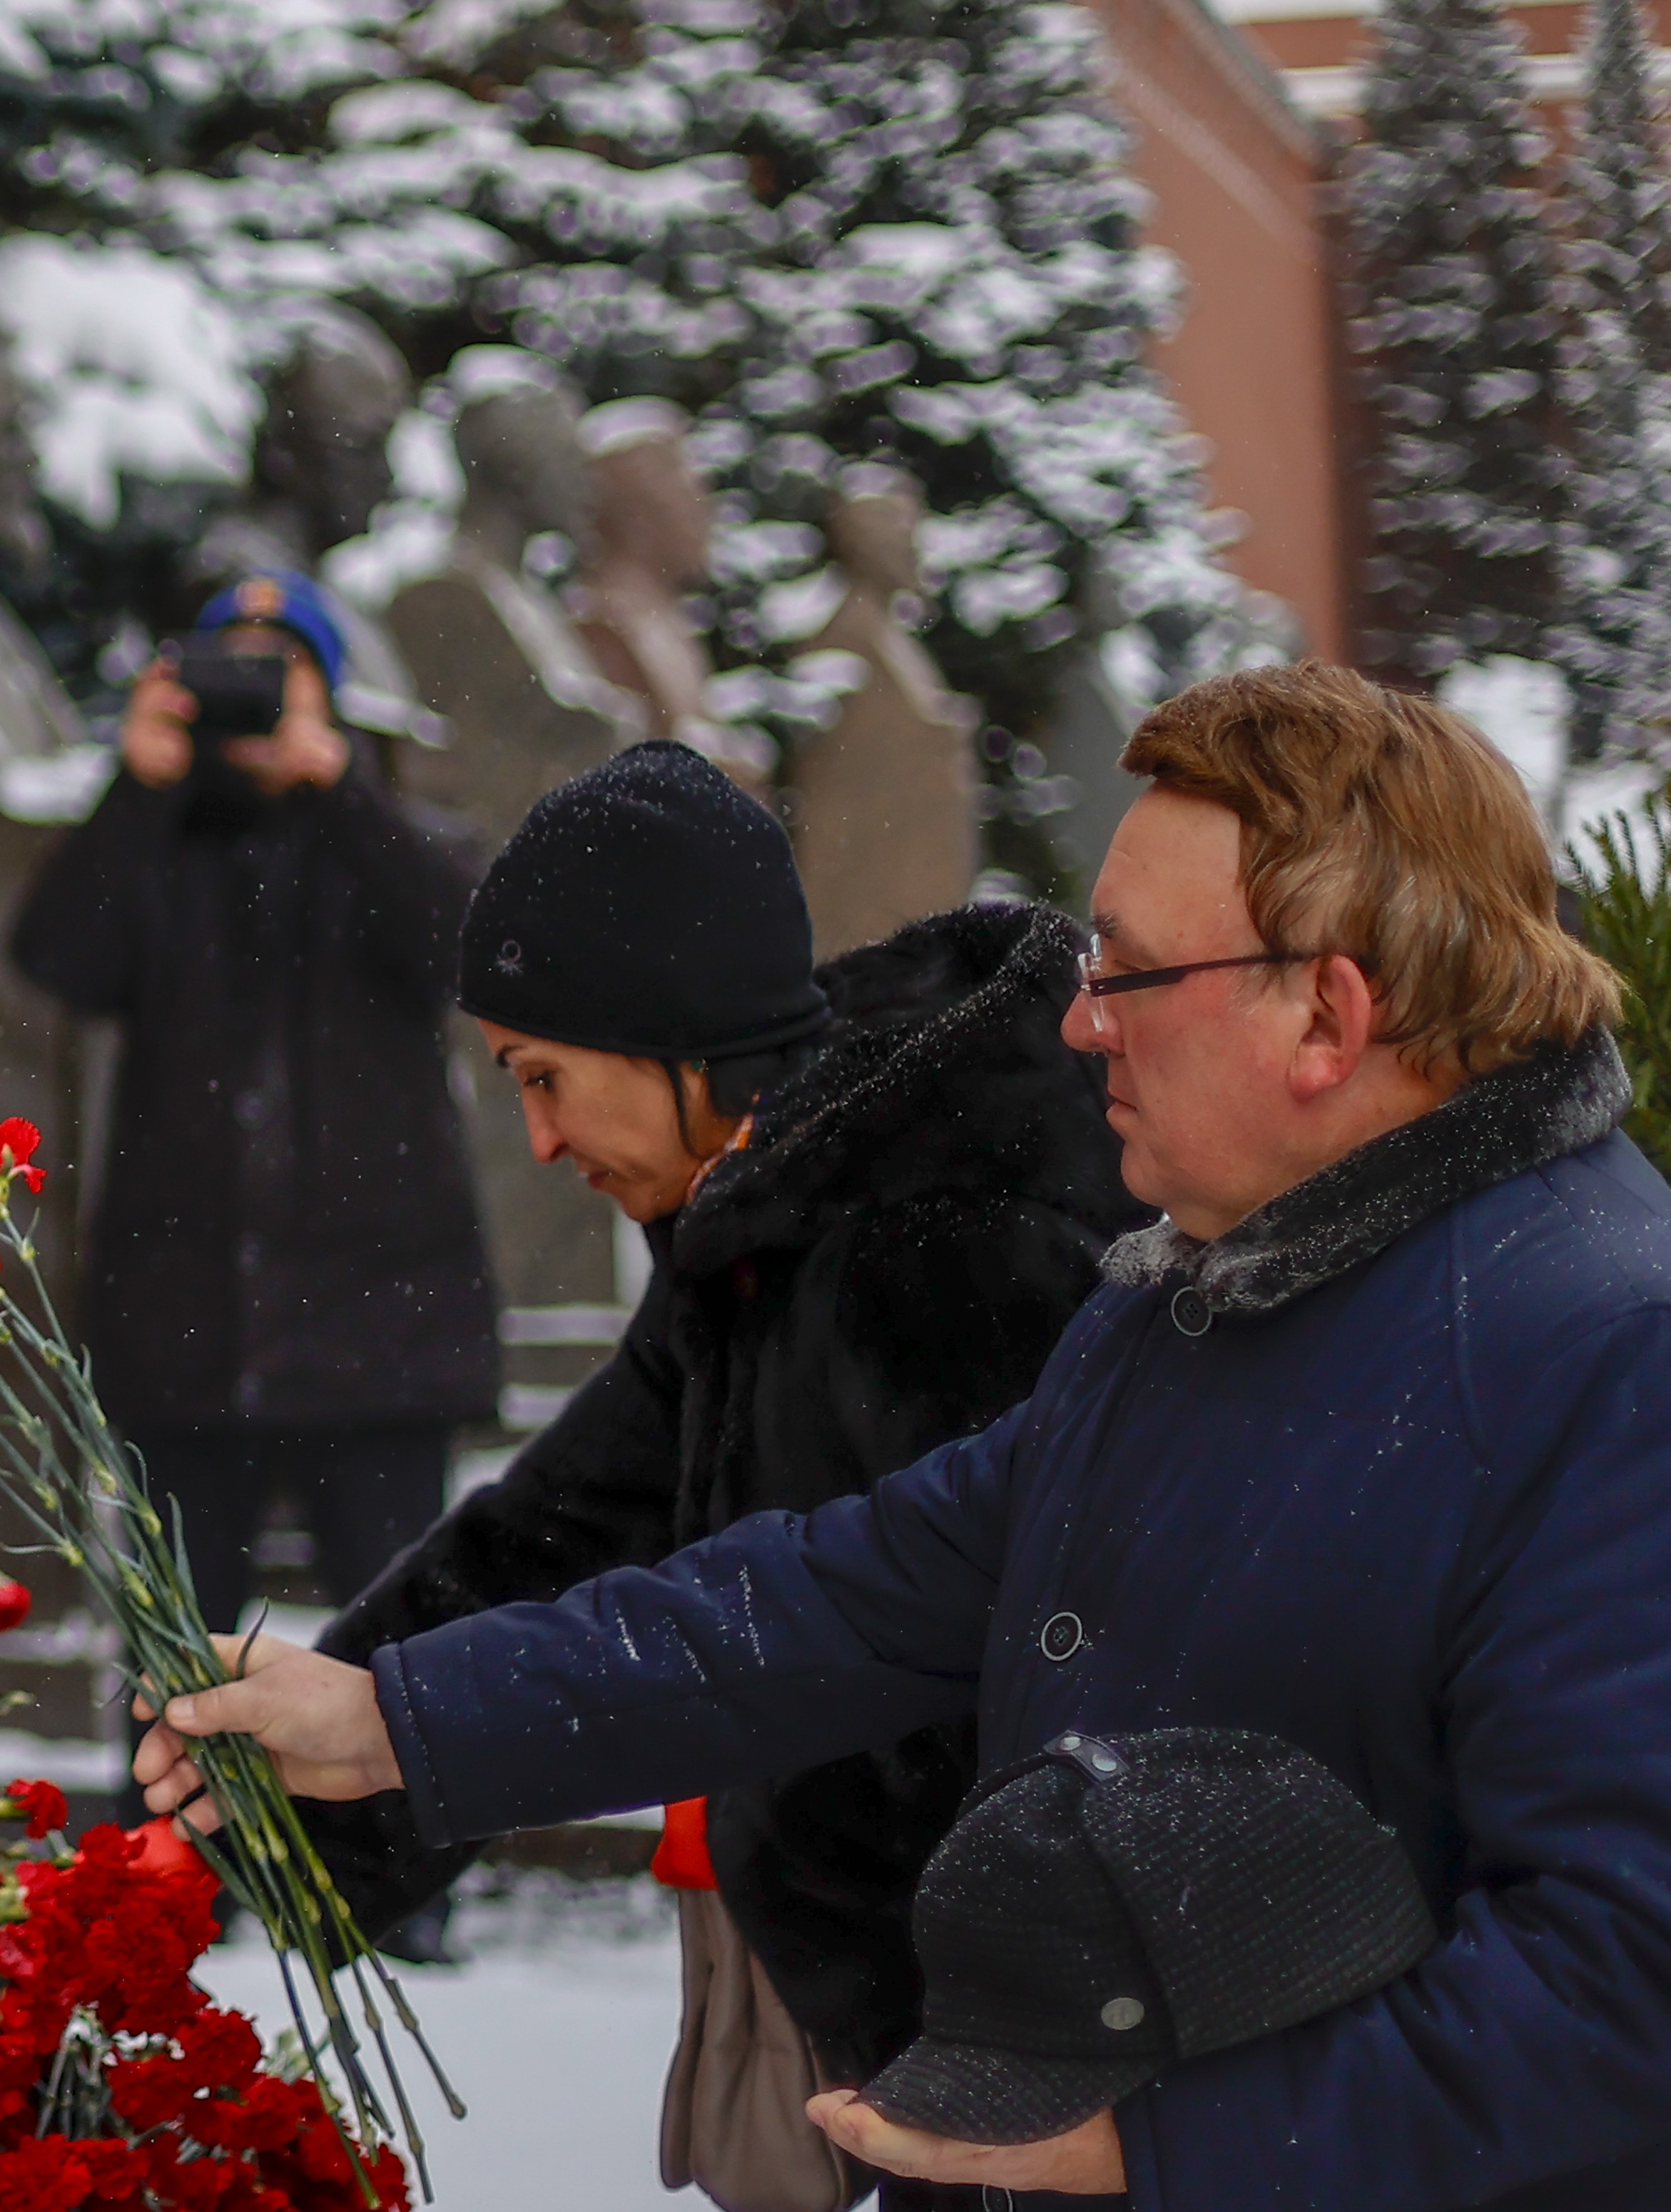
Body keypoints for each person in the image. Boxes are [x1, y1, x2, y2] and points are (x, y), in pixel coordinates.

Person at [138, 665, 1671, 2211]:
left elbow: (1635, 1978)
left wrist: (1155, 2150)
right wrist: (398, 1717)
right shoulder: (1196, 1291)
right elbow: (839, 1596)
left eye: (1130, 976)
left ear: (1326, 1017)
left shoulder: (1613, 1355)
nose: (1082, 1024)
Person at [299, 739, 1134, 2210]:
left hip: (1044, 2053)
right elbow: (561, 1529)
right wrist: (285, 1811)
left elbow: (987, 1661)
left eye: (545, 1078)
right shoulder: (767, 1222)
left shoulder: (930, 1248)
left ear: (670, 1037)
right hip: (939, 2042)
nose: (543, 1138)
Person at [6, 572, 497, 1634]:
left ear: (332, 693)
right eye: (233, 669)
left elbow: (465, 954)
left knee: (399, 1669)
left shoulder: (394, 831)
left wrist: (341, 786)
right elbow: (56, 957)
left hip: (382, 1337)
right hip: (183, 1342)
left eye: (284, 672)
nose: (256, 698)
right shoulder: (152, 847)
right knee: (176, 1680)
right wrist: (135, 787)